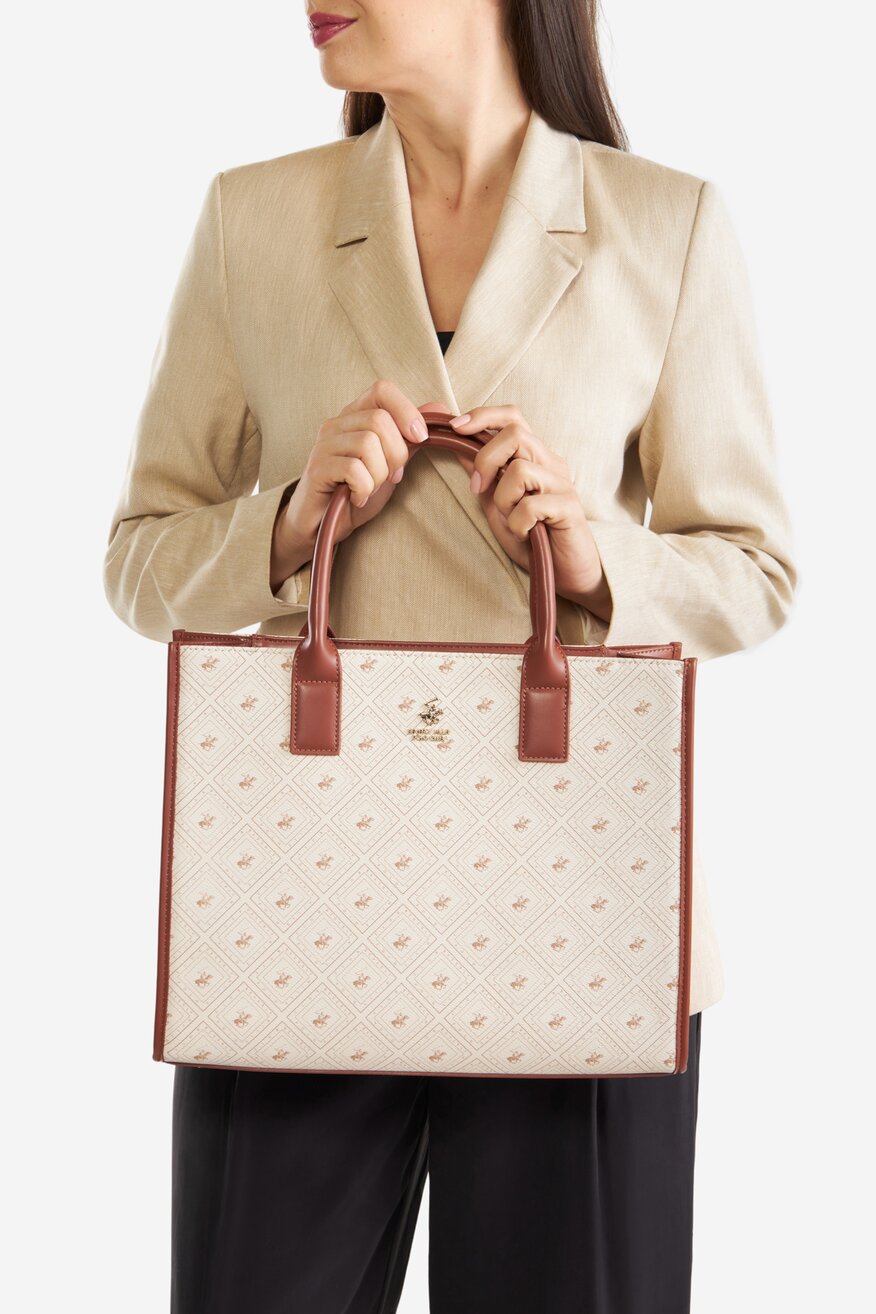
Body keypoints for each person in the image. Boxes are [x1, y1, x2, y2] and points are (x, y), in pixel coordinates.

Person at [103, 2, 797, 1310]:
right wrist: (288, 524)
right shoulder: (254, 219)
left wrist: (593, 561)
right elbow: (138, 557)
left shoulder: (667, 227)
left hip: (586, 920)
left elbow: (757, 573)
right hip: (298, 912)